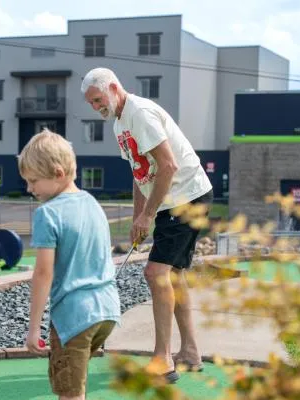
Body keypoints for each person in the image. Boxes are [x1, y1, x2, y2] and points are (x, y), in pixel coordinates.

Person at [81, 67, 214, 383]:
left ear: (114, 88)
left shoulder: (139, 113)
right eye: (91, 104)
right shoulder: (119, 123)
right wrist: (137, 216)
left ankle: (163, 359)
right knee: (174, 276)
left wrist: (148, 215)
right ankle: (191, 353)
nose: (97, 107)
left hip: (186, 197)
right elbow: (140, 173)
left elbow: (168, 165)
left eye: (99, 99)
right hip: (175, 199)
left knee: (155, 273)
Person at [20, 129, 121, 400]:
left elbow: (43, 274)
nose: (30, 189)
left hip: (74, 316)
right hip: (106, 310)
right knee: (78, 390)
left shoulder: (48, 215)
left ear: (58, 174)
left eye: (34, 181)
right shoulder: (93, 204)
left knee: (69, 398)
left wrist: (33, 327)